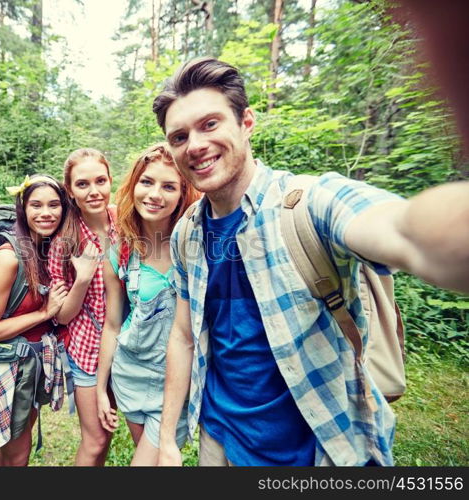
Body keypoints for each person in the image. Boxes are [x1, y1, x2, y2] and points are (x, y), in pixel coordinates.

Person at [152, 57, 469, 466]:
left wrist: (435, 231)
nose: (194, 145)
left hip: (324, 448)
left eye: (210, 124)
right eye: (179, 137)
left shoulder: (307, 204)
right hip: (220, 442)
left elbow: (394, 225)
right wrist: (167, 440)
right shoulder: (186, 233)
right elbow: (182, 335)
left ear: (246, 123)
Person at [96, 143, 200, 465]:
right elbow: (112, 324)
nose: (155, 194)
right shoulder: (120, 253)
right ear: (133, 186)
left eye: (169, 186)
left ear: (183, 193)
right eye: (147, 182)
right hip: (129, 375)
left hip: (174, 382)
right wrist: (102, 388)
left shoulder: (197, 245)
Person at [0, 174, 70, 466]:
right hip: (9, 369)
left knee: (9, 450)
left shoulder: (43, 249)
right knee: (17, 453)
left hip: (28, 366)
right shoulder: (9, 258)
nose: (46, 213)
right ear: (23, 208)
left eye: (54, 205)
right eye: (36, 205)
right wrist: (44, 313)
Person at [46, 148, 118, 466]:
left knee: (108, 433)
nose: (94, 191)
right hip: (88, 349)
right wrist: (83, 278)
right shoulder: (65, 241)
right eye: (83, 184)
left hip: (124, 344)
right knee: (96, 438)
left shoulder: (124, 221)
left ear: (110, 180)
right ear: (71, 191)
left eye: (100, 181)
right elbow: (61, 316)